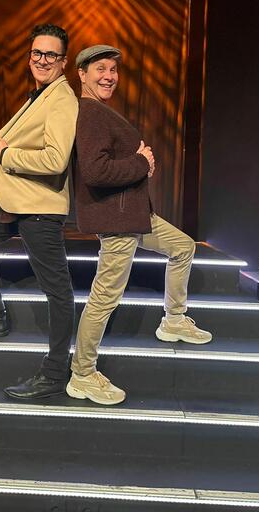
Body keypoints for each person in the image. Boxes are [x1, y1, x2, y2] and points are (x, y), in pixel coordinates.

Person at [67, 44, 212, 406]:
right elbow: (95, 172)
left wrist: (138, 164)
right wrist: (141, 162)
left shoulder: (100, 111)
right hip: (118, 221)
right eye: (100, 69)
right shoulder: (90, 113)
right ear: (81, 74)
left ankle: (174, 319)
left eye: (113, 70)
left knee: (183, 247)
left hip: (134, 215)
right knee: (104, 298)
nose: (109, 76)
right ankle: (82, 374)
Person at [0, 23, 78, 400]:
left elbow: (56, 160)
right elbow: (25, 143)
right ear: (30, 57)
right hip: (16, 202)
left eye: (51, 55)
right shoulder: (39, 96)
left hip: (39, 208)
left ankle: (56, 372)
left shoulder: (62, 99)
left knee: (58, 292)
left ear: (63, 61)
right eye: (37, 53)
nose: (42, 60)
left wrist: (5, 154)